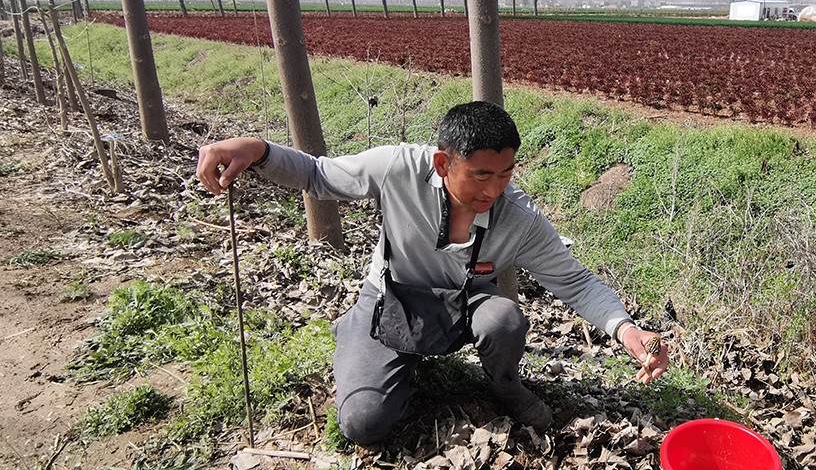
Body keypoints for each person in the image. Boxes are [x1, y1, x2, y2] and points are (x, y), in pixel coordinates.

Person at [195, 101, 669, 445]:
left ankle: (504, 386)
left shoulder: (518, 218)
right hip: (391, 300)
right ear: (443, 164)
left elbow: (576, 281)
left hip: (462, 305)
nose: (495, 188)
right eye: (482, 174)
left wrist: (624, 328)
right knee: (364, 423)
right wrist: (257, 150)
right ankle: (358, 337)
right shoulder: (398, 170)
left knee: (503, 318)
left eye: (505, 174)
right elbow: (319, 175)